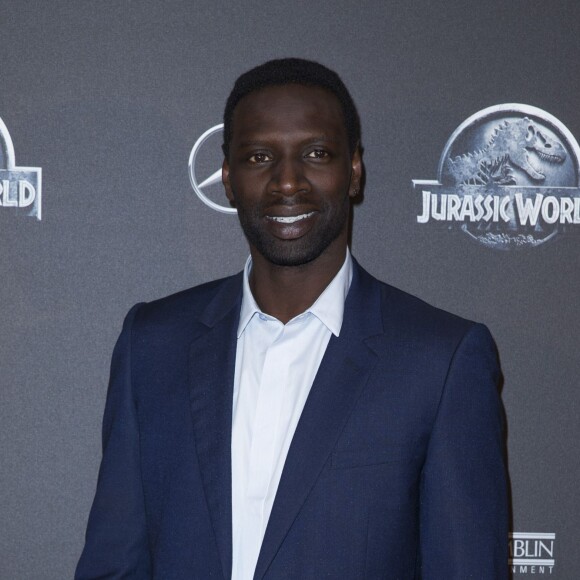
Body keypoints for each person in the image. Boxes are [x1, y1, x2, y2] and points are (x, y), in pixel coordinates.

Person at [76, 58, 508, 579]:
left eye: (316, 154)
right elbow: (113, 565)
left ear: (353, 170)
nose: (287, 182)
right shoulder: (152, 344)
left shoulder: (440, 360)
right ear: (229, 178)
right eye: (260, 156)